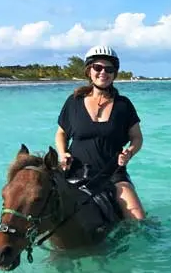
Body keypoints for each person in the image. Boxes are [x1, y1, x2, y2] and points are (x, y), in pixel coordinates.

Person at [54, 45, 146, 221]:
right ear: (89, 71)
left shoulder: (123, 105)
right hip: (75, 171)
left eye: (109, 69)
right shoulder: (73, 102)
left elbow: (137, 138)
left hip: (112, 174)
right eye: (98, 67)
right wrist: (62, 153)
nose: (103, 72)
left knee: (139, 220)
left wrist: (130, 152)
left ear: (114, 74)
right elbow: (61, 134)